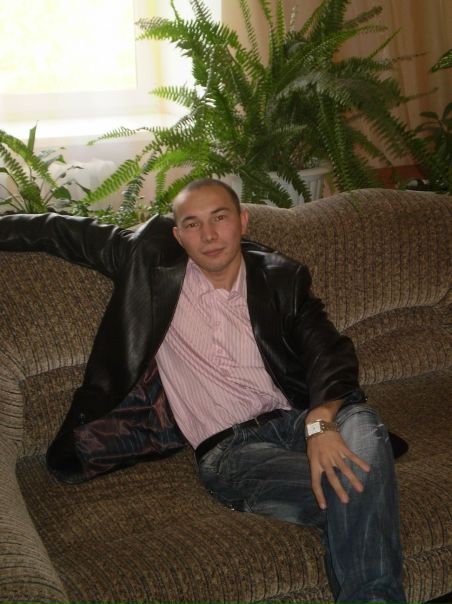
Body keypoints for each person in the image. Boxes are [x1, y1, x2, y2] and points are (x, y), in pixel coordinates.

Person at [0, 178, 406, 604]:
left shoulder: (282, 278)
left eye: (220, 218)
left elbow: (331, 351)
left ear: (242, 221)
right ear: (178, 235)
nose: (209, 235)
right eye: (193, 224)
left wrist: (320, 423)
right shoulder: (149, 262)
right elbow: (56, 230)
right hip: (232, 451)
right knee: (356, 482)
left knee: (359, 417)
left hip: (298, 421)